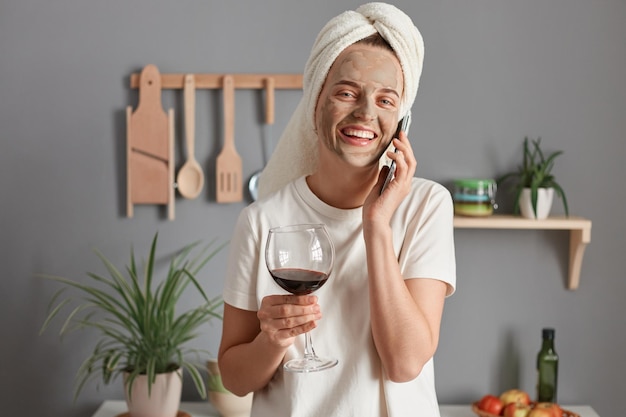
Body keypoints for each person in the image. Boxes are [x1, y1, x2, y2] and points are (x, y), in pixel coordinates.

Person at [218, 3, 456, 416]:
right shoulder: (262, 221)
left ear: (402, 121)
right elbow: (234, 379)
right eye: (347, 93)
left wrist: (377, 225)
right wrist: (271, 341)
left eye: (386, 100)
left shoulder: (425, 206)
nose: (365, 113)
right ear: (315, 103)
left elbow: (404, 363)